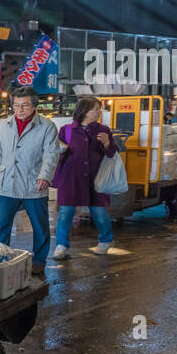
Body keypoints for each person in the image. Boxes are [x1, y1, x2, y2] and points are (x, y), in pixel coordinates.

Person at [0, 85, 61, 276]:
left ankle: (39, 261)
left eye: (25, 106)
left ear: (35, 106)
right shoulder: (4, 126)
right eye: (16, 105)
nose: (20, 109)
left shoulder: (46, 126)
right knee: (1, 226)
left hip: (33, 184)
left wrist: (45, 176)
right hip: (7, 184)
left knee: (40, 226)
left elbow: (52, 154)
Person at [52, 96, 117, 260]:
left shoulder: (103, 130)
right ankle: (61, 245)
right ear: (84, 111)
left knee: (99, 212)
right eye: (95, 109)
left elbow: (111, 153)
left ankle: (106, 240)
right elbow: (54, 151)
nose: (98, 112)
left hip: (96, 179)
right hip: (70, 178)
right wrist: (61, 147)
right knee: (65, 212)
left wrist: (107, 142)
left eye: (98, 109)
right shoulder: (66, 130)